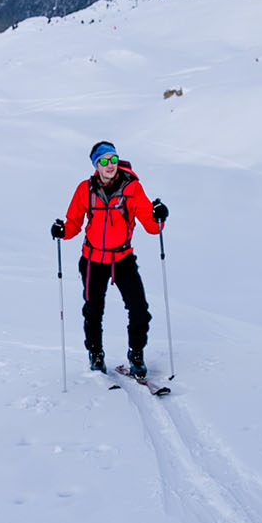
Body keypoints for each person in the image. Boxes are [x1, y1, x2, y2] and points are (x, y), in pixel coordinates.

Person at [51, 141, 169, 377]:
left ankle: (136, 353)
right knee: (93, 310)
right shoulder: (85, 189)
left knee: (139, 309)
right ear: (96, 165)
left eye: (113, 160)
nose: (110, 165)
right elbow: (74, 222)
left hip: (122, 258)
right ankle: (95, 353)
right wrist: (63, 231)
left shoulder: (133, 188)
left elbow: (151, 225)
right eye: (104, 161)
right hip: (93, 260)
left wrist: (159, 217)